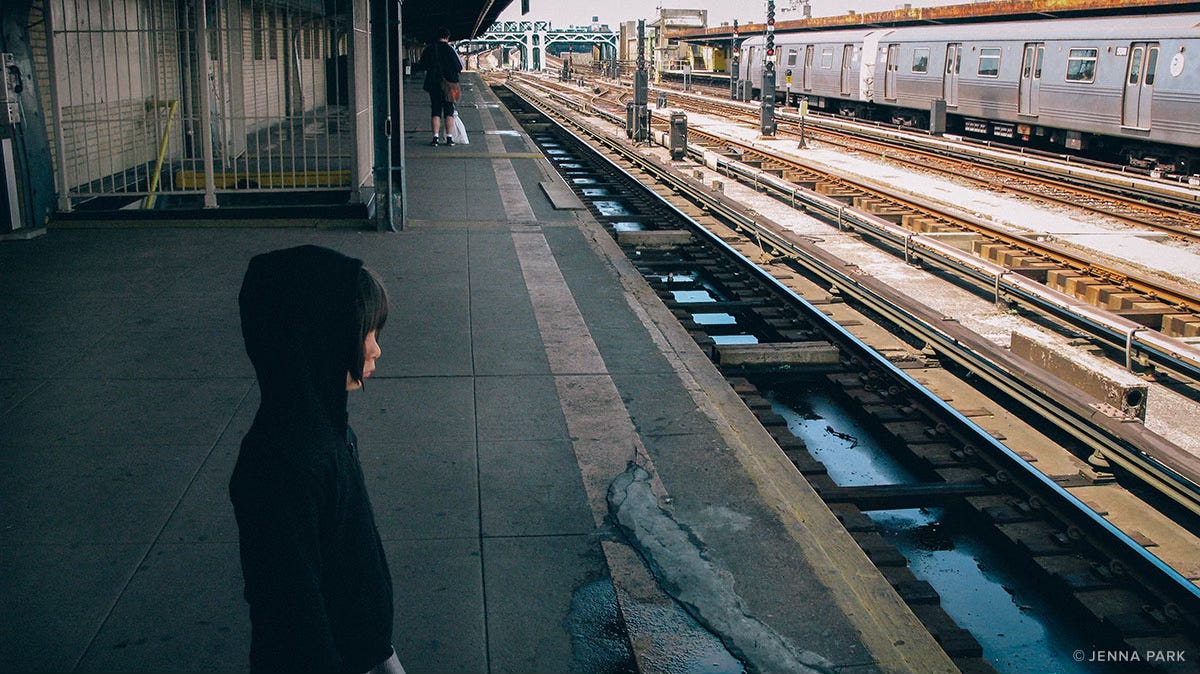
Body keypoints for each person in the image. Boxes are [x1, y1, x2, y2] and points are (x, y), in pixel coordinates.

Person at [230, 245, 403, 674]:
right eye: (366, 331)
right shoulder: (283, 466)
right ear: (318, 338)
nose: (376, 349)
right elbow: (293, 621)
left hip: (361, 651)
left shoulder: (330, 433)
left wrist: (384, 656)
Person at [418, 26, 462, 147]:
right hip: (449, 85)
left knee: (435, 110)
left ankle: (435, 138)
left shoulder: (429, 49)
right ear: (448, 37)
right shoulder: (450, 50)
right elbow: (459, 67)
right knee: (449, 111)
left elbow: (422, 65)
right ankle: (449, 138)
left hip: (433, 84)